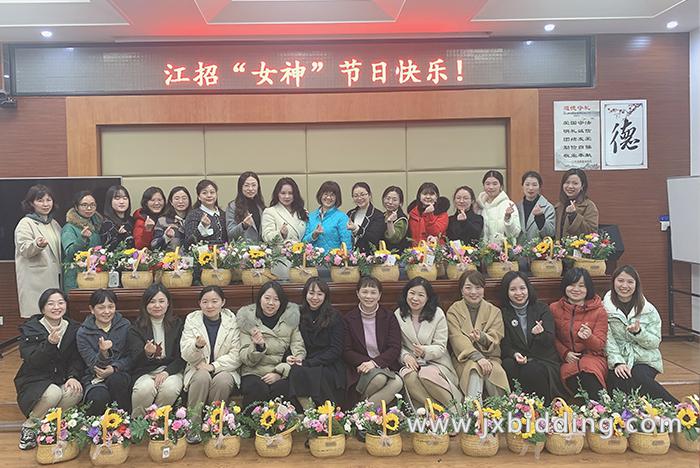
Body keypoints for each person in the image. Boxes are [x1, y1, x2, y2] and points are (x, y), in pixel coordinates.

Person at [15, 289, 84, 450]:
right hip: (35, 379)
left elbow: (76, 358)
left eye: (60, 303)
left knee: (75, 391)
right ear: (42, 308)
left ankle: (50, 427)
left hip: (61, 377)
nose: (56, 307)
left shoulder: (73, 328)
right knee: (54, 393)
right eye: (51, 304)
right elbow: (32, 360)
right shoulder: (31, 329)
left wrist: (73, 376)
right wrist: (49, 344)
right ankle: (30, 427)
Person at [604, 265, 678, 404]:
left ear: (636, 284)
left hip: (645, 358)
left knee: (639, 376)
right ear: (613, 282)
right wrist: (618, 362)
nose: (624, 286)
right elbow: (608, 340)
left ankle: (677, 407)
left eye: (630, 282)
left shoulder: (648, 310)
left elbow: (654, 342)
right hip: (618, 357)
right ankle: (636, 413)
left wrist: (638, 333)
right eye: (620, 281)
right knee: (619, 378)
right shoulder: (604, 309)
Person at [180, 286, 240, 442]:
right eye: (205, 302)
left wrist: (214, 366)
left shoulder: (232, 320)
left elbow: (236, 355)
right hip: (197, 367)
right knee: (202, 377)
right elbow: (185, 353)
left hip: (225, 369)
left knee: (223, 380)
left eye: (214, 301)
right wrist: (196, 346)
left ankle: (214, 424)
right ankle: (193, 425)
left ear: (223, 302)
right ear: (199, 303)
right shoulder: (192, 319)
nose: (210, 306)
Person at [394, 277, 462, 410]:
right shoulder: (398, 314)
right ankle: (435, 411)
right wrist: (405, 356)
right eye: (412, 293)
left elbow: (441, 346)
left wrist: (425, 351)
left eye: (421, 295)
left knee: (426, 374)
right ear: (406, 294)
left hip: (436, 361)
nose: (415, 298)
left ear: (427, 298)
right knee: (408, 376)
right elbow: (396, 344)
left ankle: (455, 409)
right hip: (412, 362)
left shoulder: (437, 314)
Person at [499, 272, 565, 403]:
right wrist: (515, 354)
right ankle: (516, 406)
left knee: (531, 370)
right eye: (513, 289)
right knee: (508, 365)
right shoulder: (503, 313)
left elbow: (550, 339)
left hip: (543, 359)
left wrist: (540, 334)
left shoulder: (541, 308)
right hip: (520, 358)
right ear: (506, 292)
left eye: (522, 288)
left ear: (528, 288)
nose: (519, 293)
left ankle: (543, 407)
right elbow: (505, 345)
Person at [238, 281, 305, 408]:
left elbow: (298, 350)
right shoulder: (247, 320)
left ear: (281, 302)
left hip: (279, 369)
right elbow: (245, 358)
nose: (270, 303)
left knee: (282, 389)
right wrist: (258, 347)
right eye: (267, 298)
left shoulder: (291, 319)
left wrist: (280, 372)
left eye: (276, 299)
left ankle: (284, 422)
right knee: (257, 389)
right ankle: (251, 421)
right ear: (260, 299)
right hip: (253, 372)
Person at [447, 270, 508, 401]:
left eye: (478, 287)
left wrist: (482, 338)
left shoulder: (494, 311)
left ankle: (500, 409)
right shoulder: (454, 311)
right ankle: (473, 410)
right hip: (463, 360)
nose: (473, 292)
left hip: (490, 357)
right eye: (468, 288)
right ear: (461, 290)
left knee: (495, 371)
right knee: (474, 369)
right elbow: (456, 338)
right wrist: (477, 357)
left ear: (484, 289)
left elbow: (496, 336)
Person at [343, 277, 402, 407]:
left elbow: (395, 347)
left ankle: (359, 411)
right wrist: (367, 363)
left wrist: (375, 363)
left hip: (385, 364)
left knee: (397, 382)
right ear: (357, 293)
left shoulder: (389, 317)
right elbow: (346, 350)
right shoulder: (348, 319)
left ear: (379, 295)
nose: (368, 296)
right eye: (364, 292)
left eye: (373, 292)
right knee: (379, 378)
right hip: (360, 367)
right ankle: (362, 412)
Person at [129, 284, 185, 417]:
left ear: (168, 303)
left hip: (171, 370)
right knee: (144, 389)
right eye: (152, 302)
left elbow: (182, 356)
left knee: (170, 389)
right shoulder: (136, 327)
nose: (157, 306)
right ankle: (138, 423)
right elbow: (134, 359)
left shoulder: (178, 324)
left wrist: (167, 372)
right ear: (145, 305)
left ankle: (157, 421)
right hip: (146, 371)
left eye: (161, 301)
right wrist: (147, 353)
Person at [550, 268, 608, 399]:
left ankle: (601, 406)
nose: (576, 289)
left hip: (593, 357)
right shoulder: (554, 308)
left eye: (581, 286)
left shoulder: (599, 311)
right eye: (572, 285)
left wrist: (589, 338)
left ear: (588, 289)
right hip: (567, 360)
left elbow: (599, 345)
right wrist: (565, 353)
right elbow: (552, 337)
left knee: (588, 374)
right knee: (572, 376)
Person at [288, 278, 346, 406]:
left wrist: (310, 363)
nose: (315, 298)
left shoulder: (334, 316)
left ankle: (326, 413)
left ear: (325, 296)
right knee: (296, 371)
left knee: (318, 375)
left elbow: (336, 350)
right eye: (311, 293)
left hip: (329, 362)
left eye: (319, 294)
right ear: (305, 294)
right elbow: (291, 340)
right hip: (305, 359)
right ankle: (308, 411)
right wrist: (295, 358)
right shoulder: (298, 314)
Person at [76, 289, 131, 416]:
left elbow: (131, 356)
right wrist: (103, 353)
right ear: (92, 309)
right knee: (98, 397)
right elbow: (93, 365)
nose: (107, 311)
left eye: (110, 307)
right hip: (95, 378)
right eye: (101, 307)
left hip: (120, 374)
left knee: (117, 381)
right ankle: (96, 427)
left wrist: (114, 368)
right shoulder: (83, 333)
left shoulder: (125, 326)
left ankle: (124, 422)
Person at [14, 185, 63, 318]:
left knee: (53, 317)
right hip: (35, 282)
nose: (45, 204)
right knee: (37, 318)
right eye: (40, 200)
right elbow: (24, 249)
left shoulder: (54, 223)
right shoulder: (26, 223)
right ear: (31, 203)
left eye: (48, 200)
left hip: (54, 278)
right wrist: (37, 245)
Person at [61, 190, 103, 292]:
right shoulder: (69, 228)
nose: (89, 208)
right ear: (76, 207)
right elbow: (69, 253)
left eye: (92, 205)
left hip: (95, 277)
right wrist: (82, 239)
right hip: (75, 278)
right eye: (84, 205)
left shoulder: (97, 226)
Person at [303, 181, 352, 252]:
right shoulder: (311, 217)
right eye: (325, 194)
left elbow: (346, 246)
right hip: (312, 258)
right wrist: (314, 235)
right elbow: (303, 242)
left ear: (337, 198)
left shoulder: (342, 218)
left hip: (334, 259)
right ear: (320, 195)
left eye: (332, 195)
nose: (328, 197)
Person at [475, 170, 520, 243]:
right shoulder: (479, 207)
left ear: (501, 186)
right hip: (483, 249)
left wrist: (508, 219)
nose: (491, 187)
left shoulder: (508, 205)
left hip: (505, 248)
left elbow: (515, 233)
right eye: (487, 184)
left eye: (495, 184)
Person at [261, 177, 308, 245]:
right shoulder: (270, 212)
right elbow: (266, 237)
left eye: (290, 193)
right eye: (283, 193)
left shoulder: (302, 211)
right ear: (277, 194)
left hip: (301, 250)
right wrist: (280, 234)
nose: (287, 196)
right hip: (280, 251)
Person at [554, 168, 599, 239]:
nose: (570, 186)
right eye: (567, 182)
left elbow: (592, 233)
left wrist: (573, 216)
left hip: (578, 246)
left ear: (582, 186)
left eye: (575, 183)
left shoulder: (589, 206)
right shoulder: (559, 206)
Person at [183, 179, 227, 247]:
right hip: (203, 253)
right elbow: (188, 242)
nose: (209, 195)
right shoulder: (193, 214)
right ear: (199, 197)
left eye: (212, 192)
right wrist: (202, 227)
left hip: (225, 252)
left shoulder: (223, 214)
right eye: (204, 193)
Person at [516, 171, 555, 245]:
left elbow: (550, 234)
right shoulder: (517, 207)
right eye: (527, 184)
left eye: (534, 185)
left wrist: (540, 218)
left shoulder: (548, 207)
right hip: (519, 250)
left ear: (540, 187)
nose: (530, 188)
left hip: (539, 250)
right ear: (522, 186)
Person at [226, 171, 265, 242]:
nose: (250, 189)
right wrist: (243, 225)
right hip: (242, 248)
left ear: (258, 187)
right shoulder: (233, 206)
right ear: (240, 187)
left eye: (254, 185)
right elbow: (230, 234)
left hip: (261, 247)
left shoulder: (261, 206)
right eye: (246, 185)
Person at [347, 182, 385, 253]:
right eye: (355, 196)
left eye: (362, 195)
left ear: (369, 195)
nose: (359, 198)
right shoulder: (350, 213)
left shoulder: (378, 215)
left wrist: (357, 229)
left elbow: (374, 238)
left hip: (369, 256)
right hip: (350, 256)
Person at [152, 186, 192, 251]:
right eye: (177, 199)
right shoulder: (162, 220)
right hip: (170, 256)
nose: (181, 201)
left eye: (184, 198)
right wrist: (166, 237)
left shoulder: (193, 218)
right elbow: (154, 246)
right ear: (171, 202)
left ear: (189, 201)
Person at [100, 185, 134, 250]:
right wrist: (119, 237)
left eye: (125, 198)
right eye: (117, 198)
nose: (122, 202)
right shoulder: (107, 224)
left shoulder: (131, 220)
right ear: (110, 201)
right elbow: (105, 250)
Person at [381, 186, 410, 251]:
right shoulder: (382, 215)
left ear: (400, 203)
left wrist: (390, 222)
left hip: (396, 254)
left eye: (394, 200)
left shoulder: (402, 219)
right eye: (388, 198)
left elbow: (394, 239)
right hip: (380, 253)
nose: (390, 202)